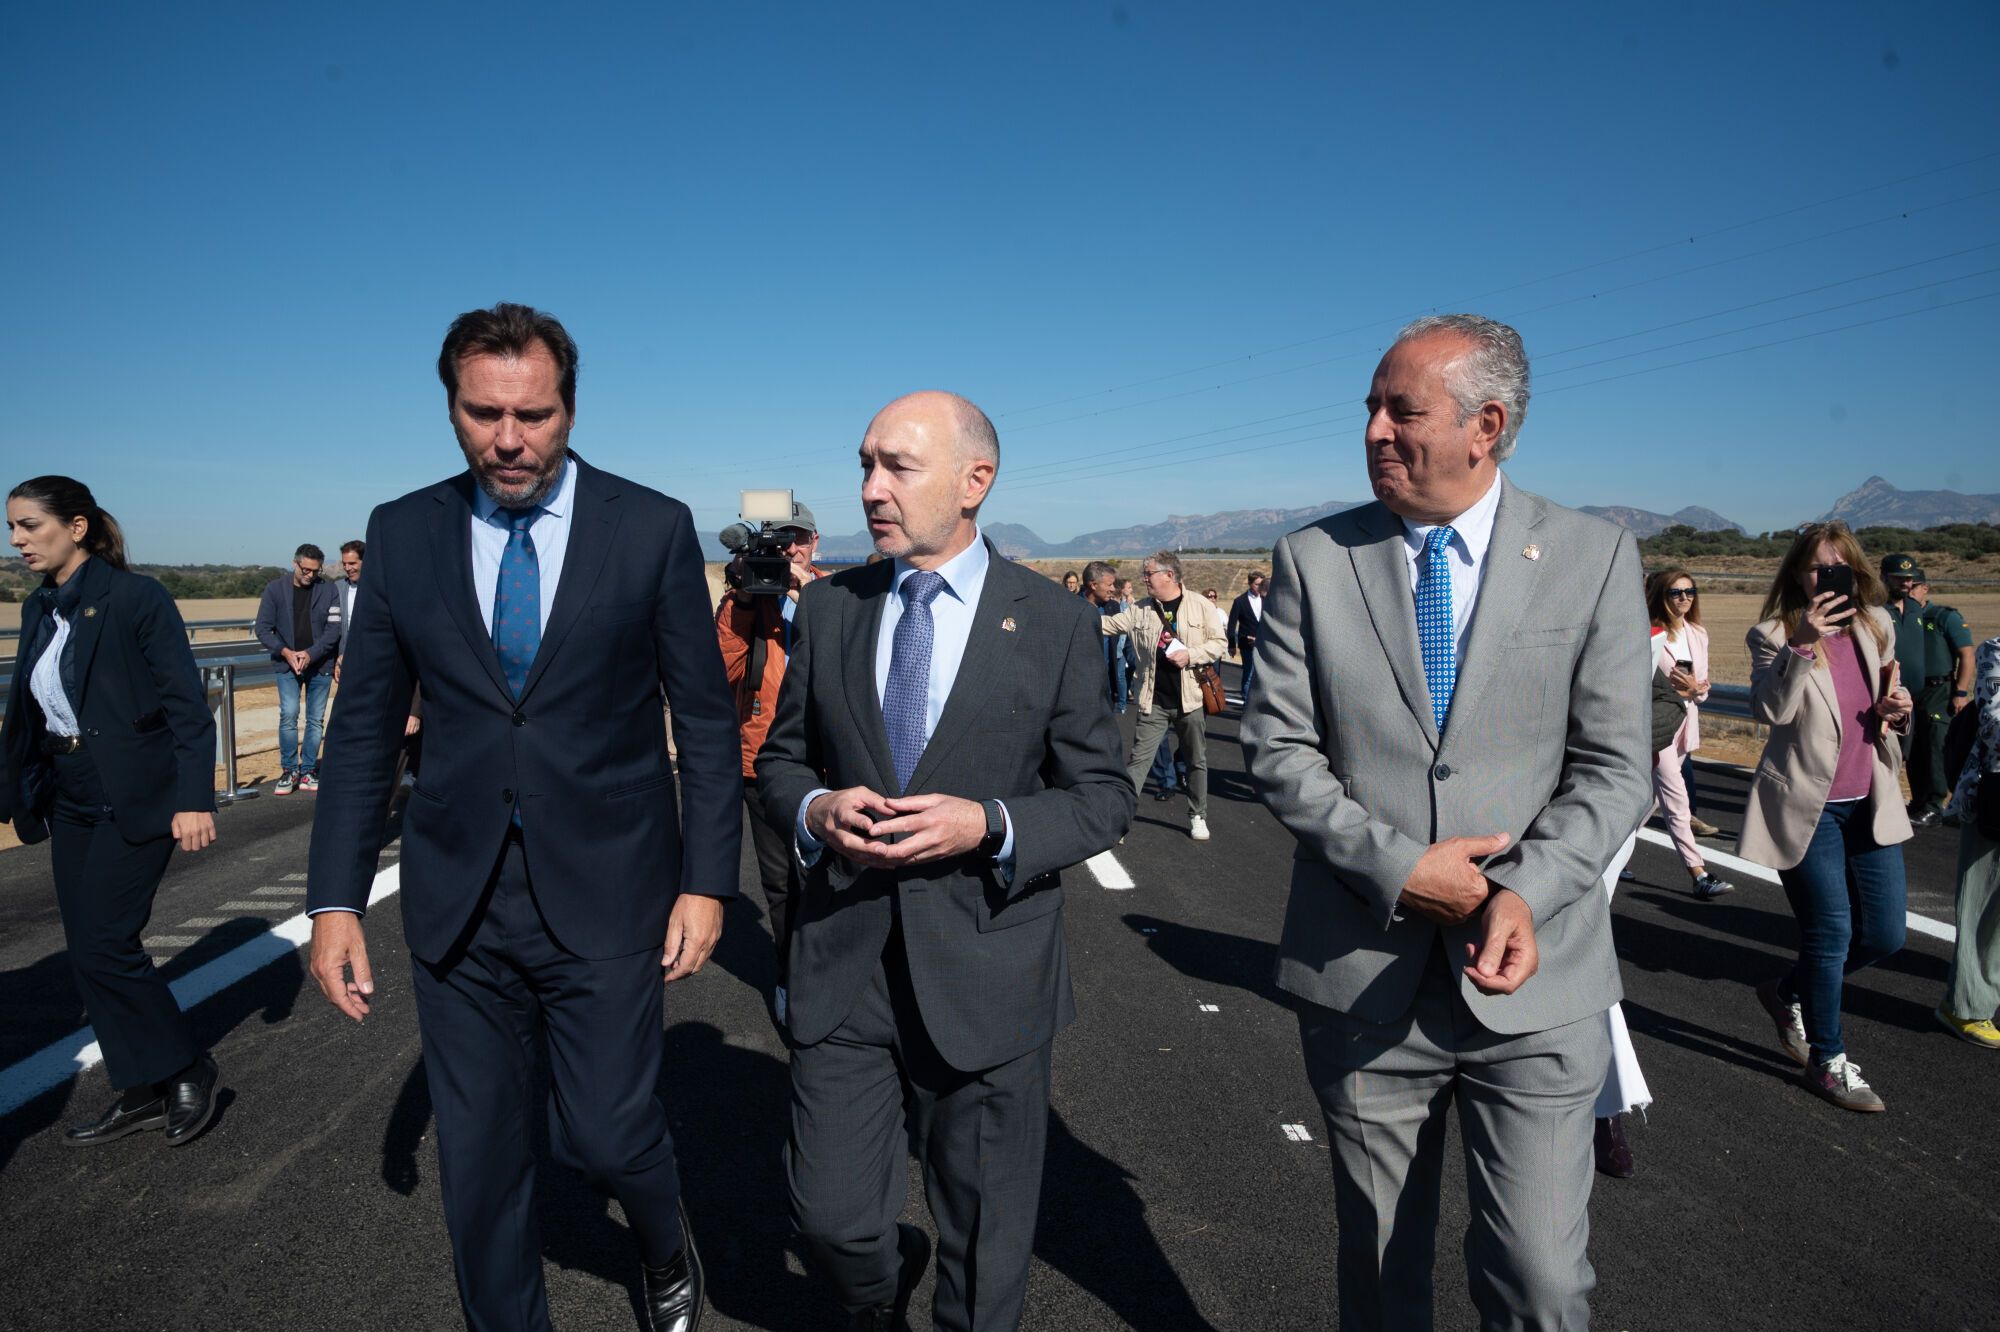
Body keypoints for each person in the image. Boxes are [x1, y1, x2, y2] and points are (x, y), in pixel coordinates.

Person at [304, 303, 739, 1332]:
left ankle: (663, 1239)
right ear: (452, 408)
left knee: (605, 1132)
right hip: (457, 895)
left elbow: (706, 725)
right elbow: (362, 732)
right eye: (483, 413)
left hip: (609, 884)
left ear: (571, 408)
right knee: (482, 1154)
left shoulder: (649, 526)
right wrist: (334, 900)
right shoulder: (405, 531)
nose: (509, 438)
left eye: (534, 415)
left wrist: (706, 881)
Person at [1240, 313, 1654, 1330]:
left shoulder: (1593, 557)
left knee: (1540, 1280)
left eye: (1401, 410)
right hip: (1364, 975)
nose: (1374, 429)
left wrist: (1521, 890)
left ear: (1486, 425)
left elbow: (1613, 766)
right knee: (1381, 1277)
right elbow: (1278, 752)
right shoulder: (1312, 559)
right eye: (1370, 409)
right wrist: (1400, 870)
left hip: (1537, 975)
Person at [756, 390, 1132, 1332]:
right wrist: (815, 805)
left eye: (897, 467)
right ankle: (883, 1285)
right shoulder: (834, 608)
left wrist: (992, 825)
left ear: (975, 482)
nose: (872, 489)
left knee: (986, 1253)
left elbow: (1104, 796)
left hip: (990, 973)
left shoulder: (1050, 622)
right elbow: (779, 761)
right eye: (866, 465)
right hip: (844, 965)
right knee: (832, 1223)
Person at [1, 476, 222, 1147]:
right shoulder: (40, 608)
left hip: (136, 793)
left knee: (107, 943)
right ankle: (139, 1089)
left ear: (76, 527)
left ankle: (186, 1067)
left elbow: (187, 704)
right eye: (11, 529)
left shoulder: (135, 598)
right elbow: (27, 714)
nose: (16, 542)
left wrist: (193, 799)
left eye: (28, 527)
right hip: (70, 798)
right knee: (88, 953)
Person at [1739, 523, 1913, 1112]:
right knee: (1830, 933)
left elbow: (1887, 702)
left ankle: (1788, 992)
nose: (1828, 576)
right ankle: (1827, 1060)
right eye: (1817, 567)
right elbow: (1771, 709)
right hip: (1805, 811)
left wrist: (1899, 709)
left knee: (1886, 935)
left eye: (1839, 566)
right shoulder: (1773, 634)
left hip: (1869, 801)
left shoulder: (1876, 625)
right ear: (1797, 573)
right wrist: (1803, 644)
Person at [715, 500, 826, 1018]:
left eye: (797, 539)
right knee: (781, 884)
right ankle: (791, 978)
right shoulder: (747, 603)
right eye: (780, 543)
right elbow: (718, 673)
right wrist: (740, 599)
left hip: (831, 763)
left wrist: (808, 600)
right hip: (761, 760)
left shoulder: (835, 596)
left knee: (838, 879)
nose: (790, 550)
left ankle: (838, 978)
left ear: (814, 543)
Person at [1099, 551, 1227, 841]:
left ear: (1169, 575)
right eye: (1144, 574)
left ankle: (1198, 815)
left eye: (1149, 574)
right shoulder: (1141, 609)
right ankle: (1120, 822)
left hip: (1190, 699)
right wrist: (1076, 617)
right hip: (1152, 699)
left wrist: (1191, 655)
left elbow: (1219, 643)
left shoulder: (1201, 606)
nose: (1145, 579)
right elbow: (1112, 625)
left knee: (1196, 760)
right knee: (1138, 763)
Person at [1646, 568, 1735, 900]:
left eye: (1690, 592)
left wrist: (1697, 689)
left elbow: (1704, 685)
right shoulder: (1650, 633)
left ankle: (1610, 856)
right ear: (1662, 597)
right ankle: (1698, 873)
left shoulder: (1698, 633)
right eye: (1675, 592)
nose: (1684, 598)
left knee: (1652, 802)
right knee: (1676, 796)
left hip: (1686, 720)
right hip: (1657, 723)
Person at [1882, 554, 1976, 827]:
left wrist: (1960, 692)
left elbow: (1966, 655)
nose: (1909, 589)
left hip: (1939, 689)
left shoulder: (1943, 616)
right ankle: (1919, 800)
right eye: (1905, 585)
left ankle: (1935, 804)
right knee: (1914, 747)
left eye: (1915, 585)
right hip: (1912, 690)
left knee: (1935, 746)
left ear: (1925, 588)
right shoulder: (1905, 615)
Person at [1939, 632, 2000, 1045]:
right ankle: (1966, 1006)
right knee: (1986, 905)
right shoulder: (1997, 650)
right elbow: (1995, 722)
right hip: (1995, 792)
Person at [252, 543, 341, 794]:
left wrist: (311, 654)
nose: (311, 575)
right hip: (286, 664)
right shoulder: (274, 590)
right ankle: (289, 770)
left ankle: (309, 770)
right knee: (289, 715)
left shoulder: (329, 589)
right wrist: (286, 652)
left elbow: (333, 629)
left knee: (315, 720)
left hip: (320, 664)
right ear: (295, 563)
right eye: (306, 570)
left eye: (316, 571)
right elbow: (262, 628)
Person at [1080, 560, 1129, 712]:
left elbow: (1124, 642)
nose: (1113, 589)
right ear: (1094, 585)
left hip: (1107, 687)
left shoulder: (1113, 607)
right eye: (1109, 585)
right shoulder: (1071, 607)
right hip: (1081, 686)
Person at [1227, 570, 1266, 702]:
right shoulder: (1240, 601)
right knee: (1249, 673)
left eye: (1262, 584)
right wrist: (1231, 645)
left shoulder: (1267, 599)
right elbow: (1231, 625)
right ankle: (1246, 702)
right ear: (1250, 584)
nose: (1259, 587)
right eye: (1257, 584)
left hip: (1265, 644)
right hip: (1247, 644)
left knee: (1263, 674)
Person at [333, 539, 364, 678]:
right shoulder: (337, 588)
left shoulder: (379, 589)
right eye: (344, 564)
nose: (347, 568)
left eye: (352, 563)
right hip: (343, 662)